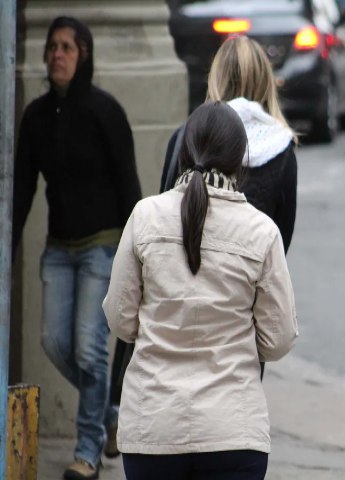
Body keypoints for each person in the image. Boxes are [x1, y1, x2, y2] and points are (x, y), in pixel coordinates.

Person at [102, 101, 298, 480]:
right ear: (240, 161)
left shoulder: (145, 216)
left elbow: (120, 319)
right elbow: (279, 339)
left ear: (182, 152)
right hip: (234, 431)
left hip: (153, 429)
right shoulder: (261, 231)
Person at [12, 16, 141, 480]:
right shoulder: (36, 117)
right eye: (52, 47)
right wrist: (7, 251)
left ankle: (87, 452)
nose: (57, 55)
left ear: (84, 55)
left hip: (100, 249)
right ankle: (109, 416)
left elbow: (130, 186)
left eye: (68, 47)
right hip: (58, 249)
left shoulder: (105, 112)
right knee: (54, 342)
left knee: (89, 349)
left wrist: (139, 254)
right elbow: (23, 188)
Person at [161, 35, 297, 254]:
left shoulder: (186, 136)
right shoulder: (281, 146)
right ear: (265, 81)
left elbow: (165, 211)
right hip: (248, 279)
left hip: (184, 280)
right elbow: (282, 240)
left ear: (216, 78)